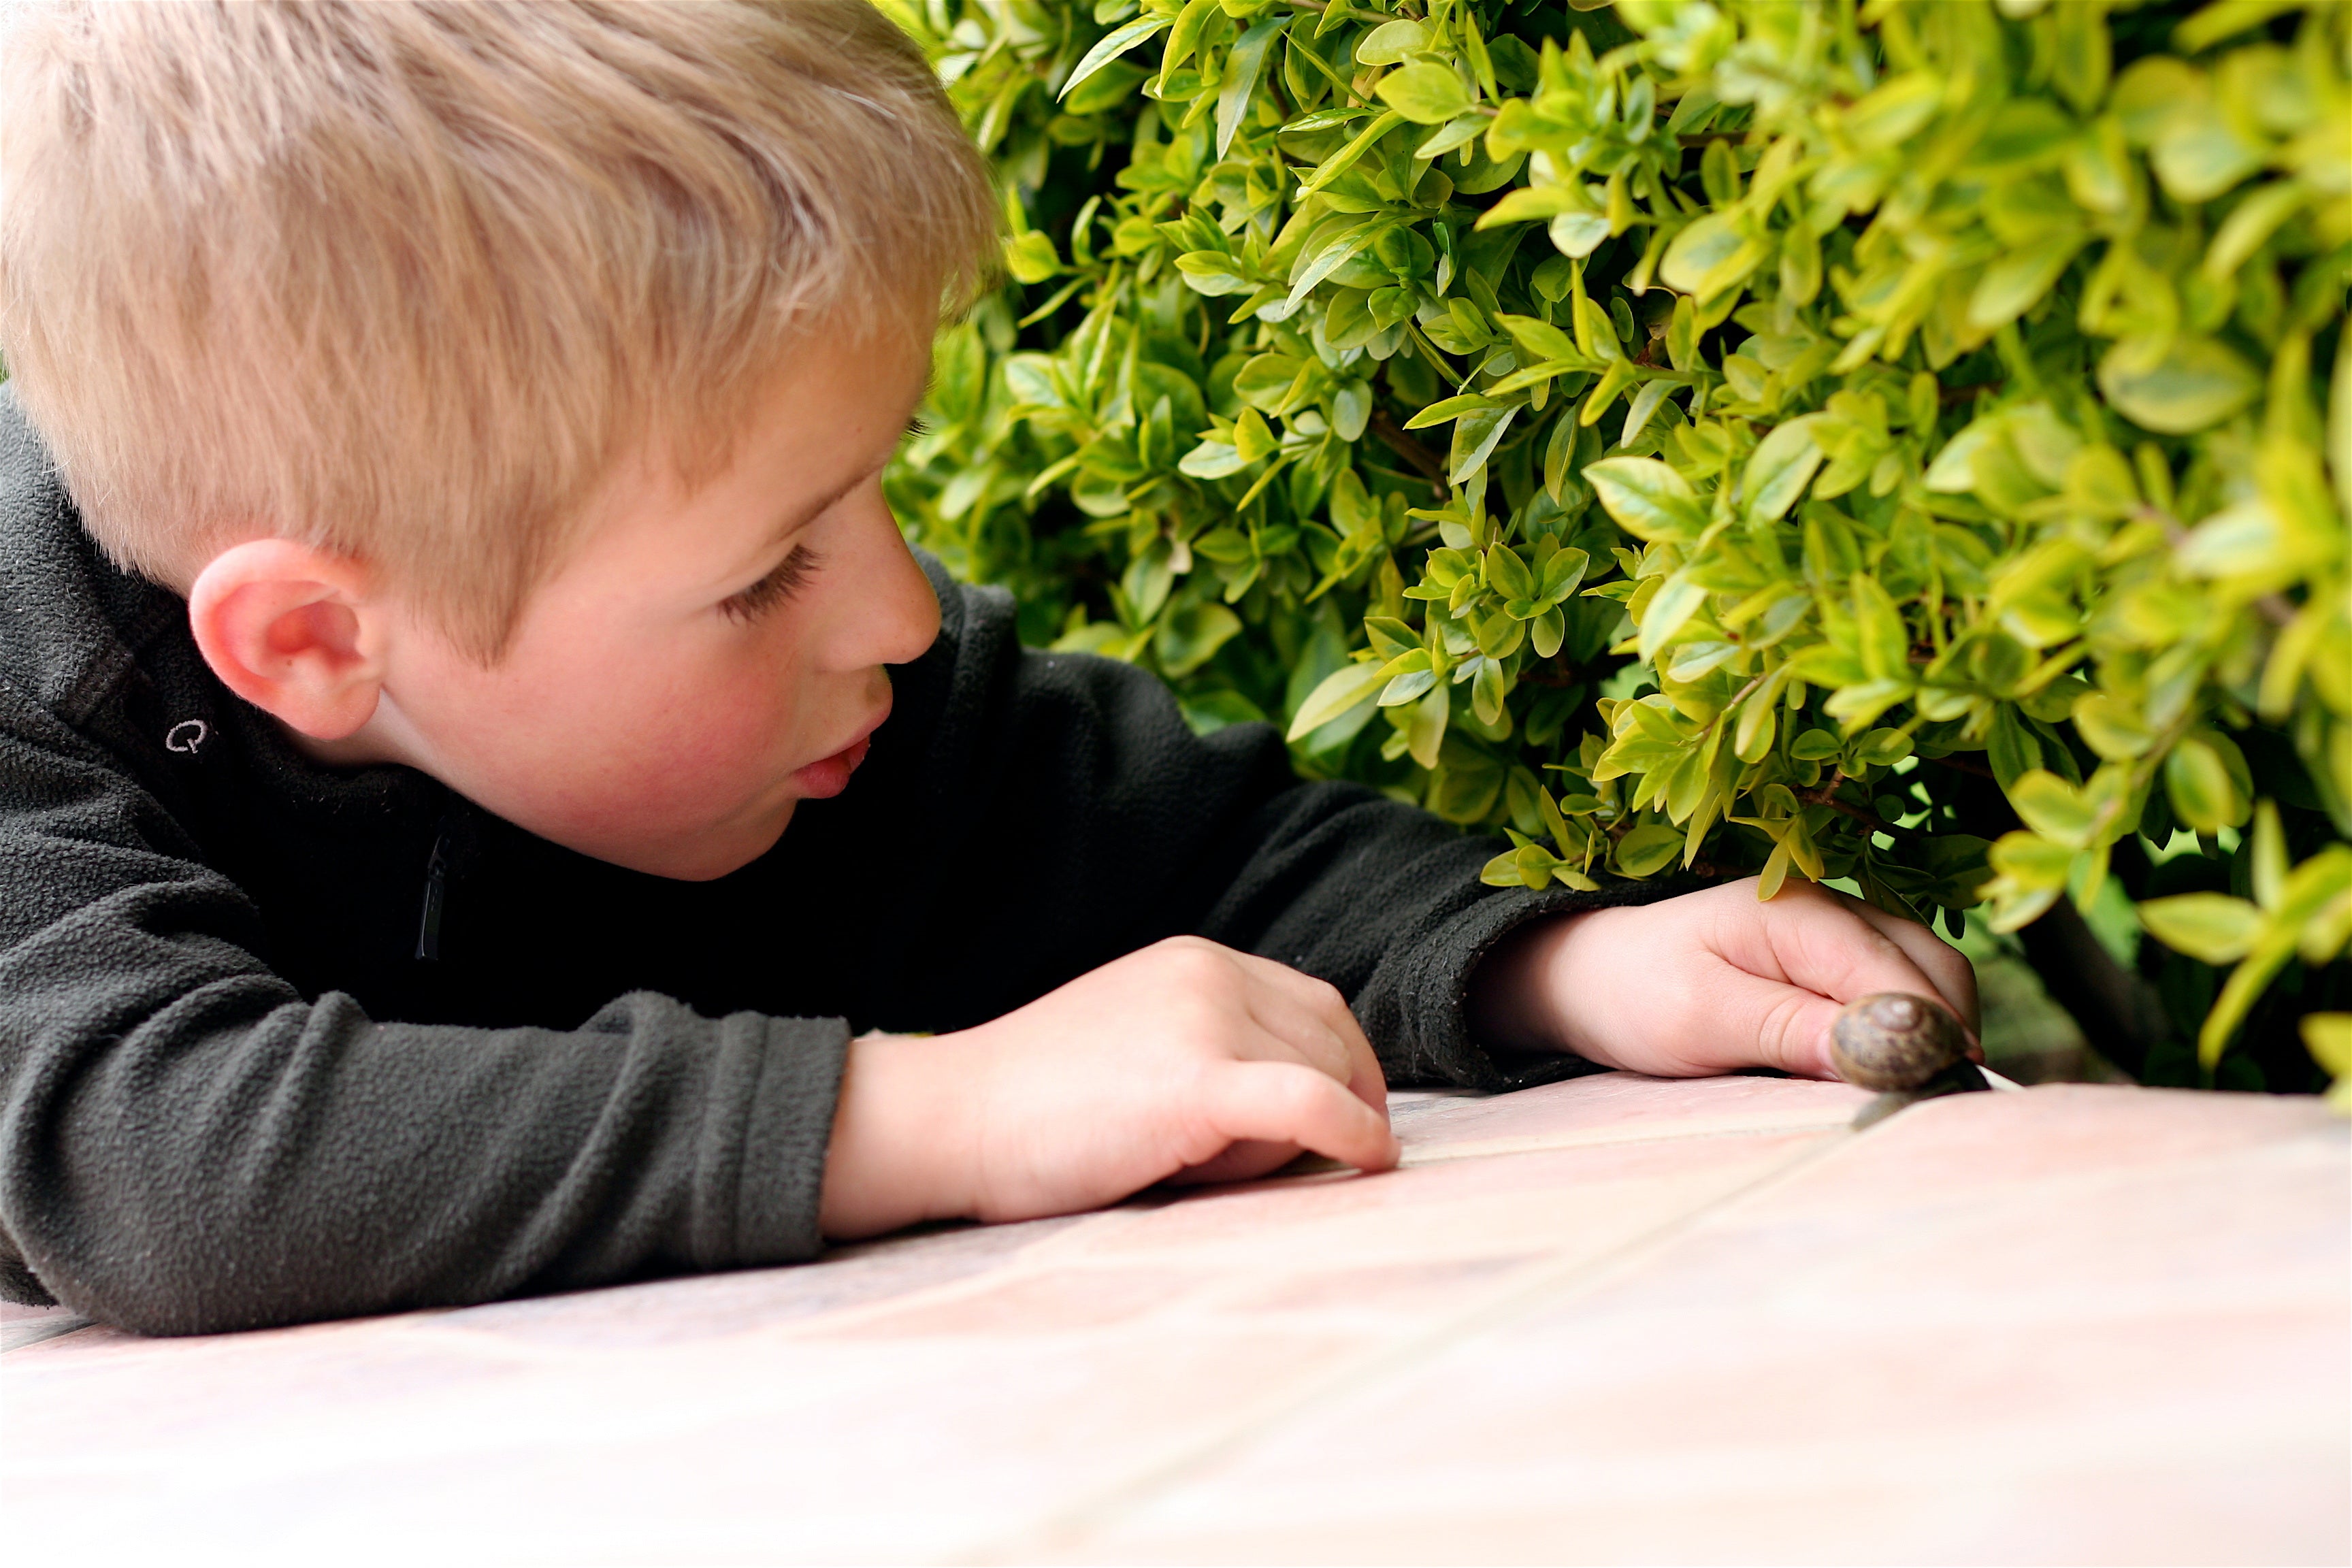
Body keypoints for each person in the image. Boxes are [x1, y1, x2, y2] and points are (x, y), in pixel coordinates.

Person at [0, 0, 1977, 1336]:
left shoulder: (830, 699)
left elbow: (1178, 842)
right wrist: (936, 1115)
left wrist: (1550, 958)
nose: (896, 614)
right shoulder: (28, 712)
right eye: (770, 564)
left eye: (871, 501)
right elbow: (171, 1160)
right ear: (321, 640)